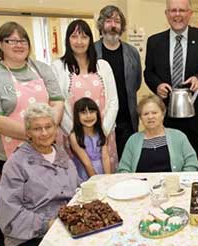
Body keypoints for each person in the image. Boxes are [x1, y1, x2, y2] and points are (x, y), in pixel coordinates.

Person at [0, 103, 81, 246]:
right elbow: (9, 214)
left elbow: (76, 188)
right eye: (37, 129)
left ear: (55, 128)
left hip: (64, 226)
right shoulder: (16, 164)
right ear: (28, 132)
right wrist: (47, 224)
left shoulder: (60, 153)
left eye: (48, 126)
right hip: (29, 236)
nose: (44, 133)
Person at [144, 0, 198, 155]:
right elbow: (149, 73)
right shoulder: (154, 42)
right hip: (165, 116)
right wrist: (157, 85)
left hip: (197, 115)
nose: (177, 15)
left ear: (190, 13)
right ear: (166, 14)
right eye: (173, 11)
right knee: (169, 160)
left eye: (182, 10)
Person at [0, 21, 64, 173]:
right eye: (12, 41)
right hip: (12, 154)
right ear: (1, 44)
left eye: (23, 41)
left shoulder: (41, 68)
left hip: (48, 149)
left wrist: (46, 133)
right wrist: (39, 134)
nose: (19, 45)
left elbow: (58, 102)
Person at [51, 19, 119, 171]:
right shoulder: (57, 67)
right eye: (74, 36)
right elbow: (57, 103)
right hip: (72, 138)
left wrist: (103, 132)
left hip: (103, 135)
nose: (79, 41)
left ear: (90, 39)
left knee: (106, 178)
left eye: (84, 37)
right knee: (77, 180)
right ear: (67, 40)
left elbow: (113, 101)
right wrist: (75, 133)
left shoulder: (103, 66)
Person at [95, 5, 142, 157]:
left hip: (127, 119)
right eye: (109, 21)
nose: (113, 25)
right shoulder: (91, 51)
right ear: (101, 25)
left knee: (128, 160)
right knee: (104, 159)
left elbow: (137, 82)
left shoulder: (132, 52)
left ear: (122, 26)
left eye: (117, 21)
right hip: (101, 120)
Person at [118, 94, 198, 173]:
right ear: (140, 118)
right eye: (146, 114)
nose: (150, 117)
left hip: (173, 184)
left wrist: (180, 181)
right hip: (141, 185)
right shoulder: (133, 140)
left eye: (154, 113)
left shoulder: (179, 136)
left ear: (163, 114)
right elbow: (123, 169)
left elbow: (192, 164)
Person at [70, 97, 111, 181]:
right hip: (85, 174)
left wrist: (108, 179)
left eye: (92, 112)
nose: (88, 116)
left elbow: (105, 157)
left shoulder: (102, 132)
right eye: (83, 112)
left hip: (102, 170)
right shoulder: (74, 136)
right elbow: (86, 163)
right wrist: (96, 181)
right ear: (77, 116)